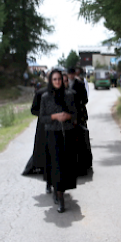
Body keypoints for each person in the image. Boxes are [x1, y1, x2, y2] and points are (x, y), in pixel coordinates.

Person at [39, 69, 78, 213]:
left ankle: (59, 190)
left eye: (59, 79)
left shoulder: (69, 95)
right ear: (50, 81)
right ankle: (60, 197)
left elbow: (75, 114)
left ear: (62, 80)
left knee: (65, 166)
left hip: (67, 133)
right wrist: (55, 117)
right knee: (56, 166)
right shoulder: (45, 97)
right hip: (52, 134)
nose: (57, 82)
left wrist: (67, 116)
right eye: (54, 79)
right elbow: (42, 118)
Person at [68, 67, 93, 175]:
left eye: (72, 74)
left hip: (79, 114)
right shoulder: (63, 83)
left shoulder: (80, 84)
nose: (71, 76)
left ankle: (84, 162)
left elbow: (85, 99)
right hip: (68, 115)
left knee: (82, 137)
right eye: (69, 74)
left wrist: (77, 101)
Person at [22, 79, 49, 176]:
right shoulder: (41, 93)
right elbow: (33, 110)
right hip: (43, 125)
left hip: (58, 124)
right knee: (41, 146)